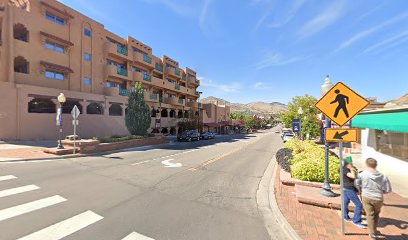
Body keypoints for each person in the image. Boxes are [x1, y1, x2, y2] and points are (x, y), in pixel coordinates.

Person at [357, 158, 392, 239]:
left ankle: (372, 233)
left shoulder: (362, 174)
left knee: (370, 214)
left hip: (366, 196)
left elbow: (358, 184)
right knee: (376, 214)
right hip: (378, 198)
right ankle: (374, 230)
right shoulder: (383, 176)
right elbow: (388, 190)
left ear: (366, 165)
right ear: (376, 165)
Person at [342, 157, 366, 228]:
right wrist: (352, 169)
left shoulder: (345, 169)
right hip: (348, 189)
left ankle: (345, 216)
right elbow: (352, 176)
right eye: (350, 163)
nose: (352, 164)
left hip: (346, 188)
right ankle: (356, 221)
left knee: (345, 202)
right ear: (347, 163)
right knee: (359, 205)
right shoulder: (344, 170)